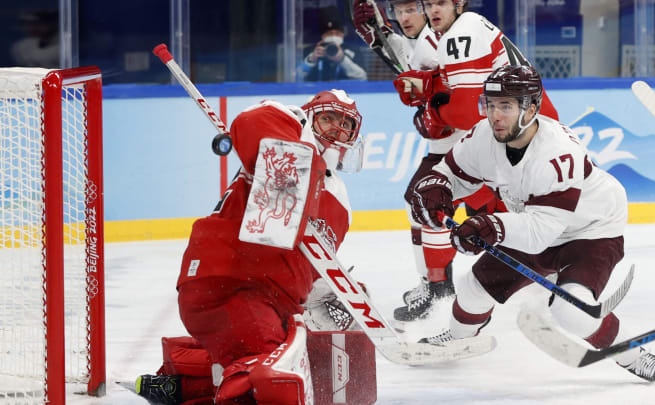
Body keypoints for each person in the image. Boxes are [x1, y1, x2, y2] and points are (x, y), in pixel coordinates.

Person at [410, 64, 655, 386]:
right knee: (472, 288)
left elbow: (539, 234)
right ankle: (457, 338)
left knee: (571, 311)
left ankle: (635, 356)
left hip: (590, 230)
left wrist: (489, 226)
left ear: (531, 109)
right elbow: (452, 172)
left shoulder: (556, 153)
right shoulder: (484, 136)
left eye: (506, 106)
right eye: (490, 105)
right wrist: (439, 187)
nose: (495, 115)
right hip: (535, 221)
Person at [135, 89, 367, 404]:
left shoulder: (339, 201)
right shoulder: (286, 124)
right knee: (270, 375)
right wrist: (297, 160)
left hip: (270, 300)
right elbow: (252, 123)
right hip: (231, 282)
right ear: (310, 116)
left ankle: (181, 384)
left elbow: (311, 265)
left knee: (296, 361)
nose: (336, 131)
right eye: (328, 119)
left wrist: (328, 293)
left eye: (345, 125)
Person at [354, 0, 559, 323]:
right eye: (419, 6)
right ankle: (440, 286)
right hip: (518, 130)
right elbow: (434, 72)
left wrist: (433, 108)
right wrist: (386, 42)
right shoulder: (448, 33)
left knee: (435, 199)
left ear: (458, 4)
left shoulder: (457, 34)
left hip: (516, 135)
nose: (426, 12)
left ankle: (441, 287)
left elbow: (466, 108)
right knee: (434, 199)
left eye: (429, 5)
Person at [297, 7, 367, 81]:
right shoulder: (311, 50)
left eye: (337, 33)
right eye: (329, 33)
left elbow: (362, 77)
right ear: (322, 36)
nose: (333, 36)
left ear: (343, 34)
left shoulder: (353, 50)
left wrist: (342, 59)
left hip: (344, 91)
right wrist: (311, 60)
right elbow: (296, 77)